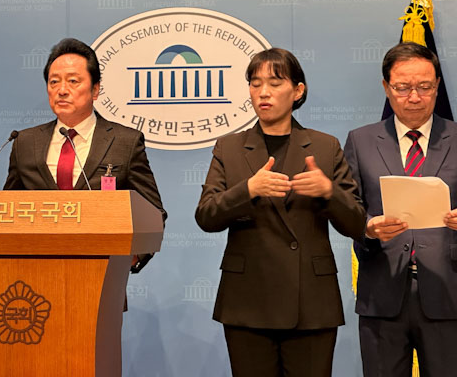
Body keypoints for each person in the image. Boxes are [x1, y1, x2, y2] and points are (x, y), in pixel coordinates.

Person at [195, 48, 365, 377]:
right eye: (255, 83)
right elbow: (206, 216)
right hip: (248, 302)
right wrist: (248, 190)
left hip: (311, 304)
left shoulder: (324, 146)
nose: (263, 92)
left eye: (274, 83)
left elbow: (357, 222)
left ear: (298, 90)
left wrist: (329, 192)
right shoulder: (229, 148)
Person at [4, 37, 166, 272]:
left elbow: (153, 212)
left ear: (96, 89)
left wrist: (131, 256)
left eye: (73, 81)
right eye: (54, 82)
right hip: (33, 272)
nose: (62, 90)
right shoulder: (25, 142)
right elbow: (6, 210)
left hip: (101, 274)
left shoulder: (124, 142)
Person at [345, 42, 457, 377]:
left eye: (425, 87)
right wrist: (368, 228)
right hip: (382, 293)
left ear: (437, 86)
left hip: (449, 293)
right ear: (386, 87)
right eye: (403, 88)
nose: (414, 97)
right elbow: (347, 209)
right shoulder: (360, 141)